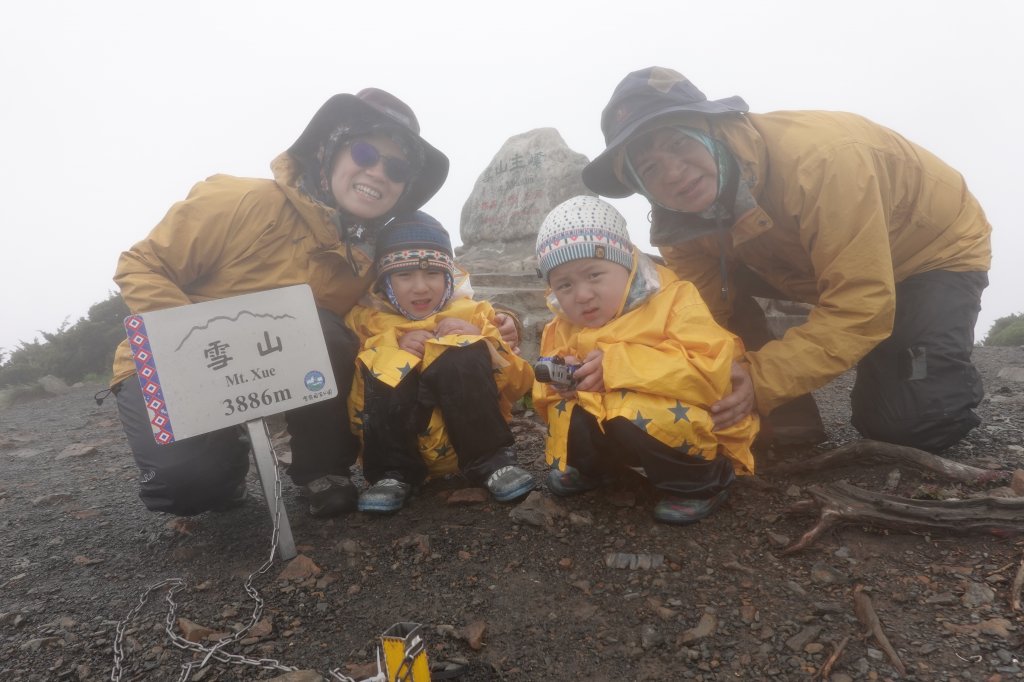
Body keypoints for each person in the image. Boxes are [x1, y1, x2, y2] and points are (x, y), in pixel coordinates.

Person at [109, 88, 517, 518]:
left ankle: (322, 470)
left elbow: (425, 300)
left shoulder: (369, 252)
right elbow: (140, 264)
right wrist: (194, 340)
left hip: (274, 365)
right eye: (364, 152)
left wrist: (499, 323)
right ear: (330, 151)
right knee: (187, 489)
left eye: (396, 168)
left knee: (324, 329)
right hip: (173, 359)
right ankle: (227, 456)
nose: (378, 172)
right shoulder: (242, 200)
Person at [582, 67, 992, 453]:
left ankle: (934, 357)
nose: (672, 174)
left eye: (679, 143)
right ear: (637, 183)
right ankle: (788, 415)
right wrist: (643, 363)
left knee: (906, 427)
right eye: (650, 168)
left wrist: (760, 378)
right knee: (697, 299)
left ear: (713, 129)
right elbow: (701, 314)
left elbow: (860, 304)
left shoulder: (823, 164)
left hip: (927, 254)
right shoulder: (677, 220)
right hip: (803, 260)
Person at [532, 196, 758, 525]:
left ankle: (702, 481)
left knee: (629, 407)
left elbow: (709, 370)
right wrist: (564, 382)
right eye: (564, 284)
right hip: (625, 427)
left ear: (627, 265)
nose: (581, 295)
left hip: (692, 423)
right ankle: (600, 470)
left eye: (594, 275)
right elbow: (549, 394)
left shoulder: (674, 300)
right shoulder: (562, 324)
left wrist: (619, 366)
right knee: (568, 408)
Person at [345, 212, 535, 513]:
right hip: (402, 449)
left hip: (461, 448)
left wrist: (485, 341)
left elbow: (519, 383)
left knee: (464, 348)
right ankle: (392, 474)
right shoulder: (367, 320)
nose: (420, 288)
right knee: (383, 359)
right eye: (404, 275)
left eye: (432, 274)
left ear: (449, 278)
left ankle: (490, 460)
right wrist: (392, 345)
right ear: (385, 281)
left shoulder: (473, 313)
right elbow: (351, 381)